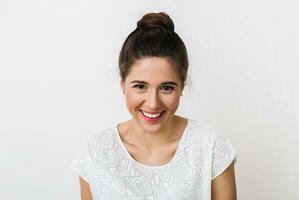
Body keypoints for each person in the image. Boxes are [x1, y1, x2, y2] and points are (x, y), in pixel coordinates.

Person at [71, 12, 237, 200]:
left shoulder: (211, 147)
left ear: (182, 86)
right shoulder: (96, 151)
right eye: (140, 86)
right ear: (123, 84)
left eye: (166, 88)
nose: (153, 103)